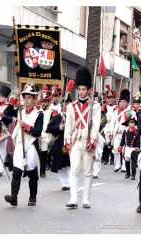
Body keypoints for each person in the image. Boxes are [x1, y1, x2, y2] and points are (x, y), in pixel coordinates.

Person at [63, 66, 101, 209]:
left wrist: (92, 140)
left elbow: (96, 125)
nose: (81, 91)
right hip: (75, 141)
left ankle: (86, 198)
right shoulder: (71, 106)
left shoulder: (95, 106)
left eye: (84, 89)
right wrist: (67, 139)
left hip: (87, 141)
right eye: (79, 89)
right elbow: (68, 125)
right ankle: (73, 198)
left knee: (87, 171)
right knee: (74, 169)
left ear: (89, 90)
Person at [4, 82, 43, 206]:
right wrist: (15, 97)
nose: (26, 100)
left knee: (32, 173)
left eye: (29, 97)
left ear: (34, 99)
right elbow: (7, 112)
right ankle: (14, 197)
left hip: (31, 144)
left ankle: (32, 197)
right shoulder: (20, 111)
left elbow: (37, 132)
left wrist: (25, 126)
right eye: (25, 97)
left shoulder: (39, 114)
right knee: (16, 171)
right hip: (20, 144)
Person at [46, 80, 74, 190]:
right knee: (61, 165)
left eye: (68, 103)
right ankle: (64, 183)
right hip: (60, 143)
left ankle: (71, 182)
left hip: (72, 143)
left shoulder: (76, 117)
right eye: (65, 103)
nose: (66, 105)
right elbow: (49, 128)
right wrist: (59, 127)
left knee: (70, 164)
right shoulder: (59, 116)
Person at [109, 89, 131, 172]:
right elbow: (112, 123)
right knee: (116, 148)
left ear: (128, 103)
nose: (122, 103)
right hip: (117, 133)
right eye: (121, 101)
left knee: (125, 150)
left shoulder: (129, 111)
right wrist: (111, 131)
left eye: (124, 102)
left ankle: (124, 165)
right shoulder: (116, 111)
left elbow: (131, 123)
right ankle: (118, 163)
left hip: (126, 133)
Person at [38, 86, 57, 178]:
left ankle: (42, 171)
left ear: (49, 102)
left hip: (47, 134)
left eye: (45, 101)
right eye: (42, 101)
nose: (43, 103)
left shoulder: (53, 112)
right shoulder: (37, 111)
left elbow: (54, 124)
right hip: (37, 133)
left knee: (44, 150)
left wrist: (48, 129)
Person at [118, 115, 140, 179]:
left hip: (133, 148)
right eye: (130, 122)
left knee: (133, 162)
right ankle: (127, 173)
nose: (131, 124)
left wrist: (137, 147)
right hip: (127, 148)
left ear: (134, 123)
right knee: (127, 161)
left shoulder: (137, 132)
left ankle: (133, 175)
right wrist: (120, 146)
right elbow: (123, 140)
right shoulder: (126, 131)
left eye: (133, 122)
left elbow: (138, 141)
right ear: (128, 123)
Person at [101, 83, 117, 165]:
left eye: (112, 98)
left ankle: (113, 157)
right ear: (106, 99)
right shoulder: (103, 107)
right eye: (109, 98)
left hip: (113, 125)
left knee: (113, 142)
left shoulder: (117, 108)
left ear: (115, 99)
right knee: (105, 142)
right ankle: (105, 157)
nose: (110, 100)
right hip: (105, 125)